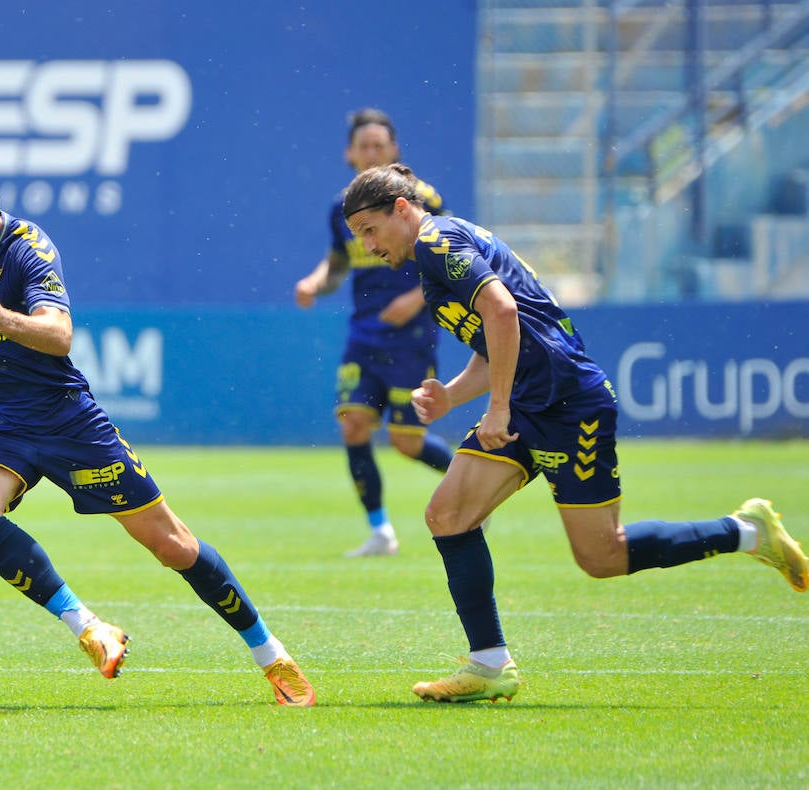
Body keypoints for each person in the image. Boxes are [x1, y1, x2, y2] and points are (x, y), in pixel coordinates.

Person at [0, 150, 315, 706]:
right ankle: (90, 628)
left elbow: (59, 334)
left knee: (171, 545)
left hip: (65, 419)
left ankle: (272, 655)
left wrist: (1, 320)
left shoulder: (28, 248)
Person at [341, 162, 809, 703]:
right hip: (528, 402)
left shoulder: (436, 242)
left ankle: (746, 531)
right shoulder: (436, 257)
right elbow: (495, 337)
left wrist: (496, 409)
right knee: (447, 515)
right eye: (360, 237)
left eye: (371, 230)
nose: (370, 246)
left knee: (602, 557)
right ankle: (490, 663)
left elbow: (502, 309)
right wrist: (451, 393)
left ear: (402, 208)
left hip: (568, 405)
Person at [294, 109, 454, 558]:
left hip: (410, 337)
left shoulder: (421, 198)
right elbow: (337, 264)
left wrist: (417, 298)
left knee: (407, 443)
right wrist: (314, 281)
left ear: (394, 151)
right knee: (353, 425)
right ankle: (381, 531)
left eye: (378, 146)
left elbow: (454, 253)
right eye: (363, 146)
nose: (370, 153)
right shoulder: (342, 208)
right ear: (349, 153)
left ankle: (473, 483)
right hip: (364, 335)